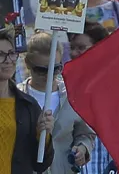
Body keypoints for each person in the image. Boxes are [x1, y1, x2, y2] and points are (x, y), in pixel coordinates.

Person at [18, 31, 95, 174]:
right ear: (28, 64)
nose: (49, 75)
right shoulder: (18, 97)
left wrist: (82, 149)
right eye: (41, 70)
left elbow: (85, 134)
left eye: (55, 69)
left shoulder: (72, 96)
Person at [0, 26, 54, 173]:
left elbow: (40, 164)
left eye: (12, 54)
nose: (8, 60)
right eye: (0, 54)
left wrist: (43, 135)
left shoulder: (28, 105)